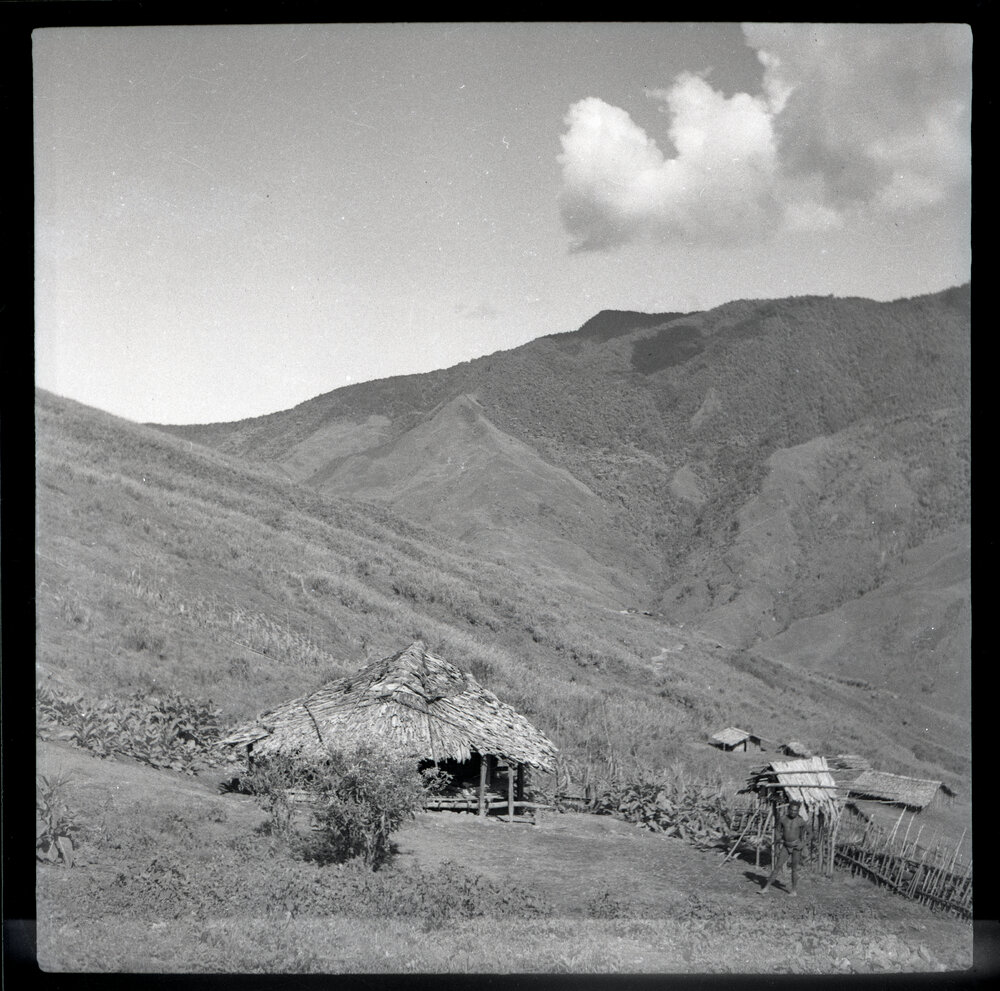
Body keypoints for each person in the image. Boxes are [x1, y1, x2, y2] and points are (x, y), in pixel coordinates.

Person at [758, 799, 810, 896]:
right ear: (788, 809)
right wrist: (778, 841)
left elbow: (811, 834)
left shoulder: (801, 821)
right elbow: (777, 830)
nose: (793, 812)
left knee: (794, 869)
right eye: (792, 810)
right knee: (777, 866)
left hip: (796, 847)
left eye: (796, 811)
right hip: (786, 846)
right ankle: (766, 888)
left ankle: (793, 891)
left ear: (798, 811)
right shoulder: (783, 819)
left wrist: (803, 844)